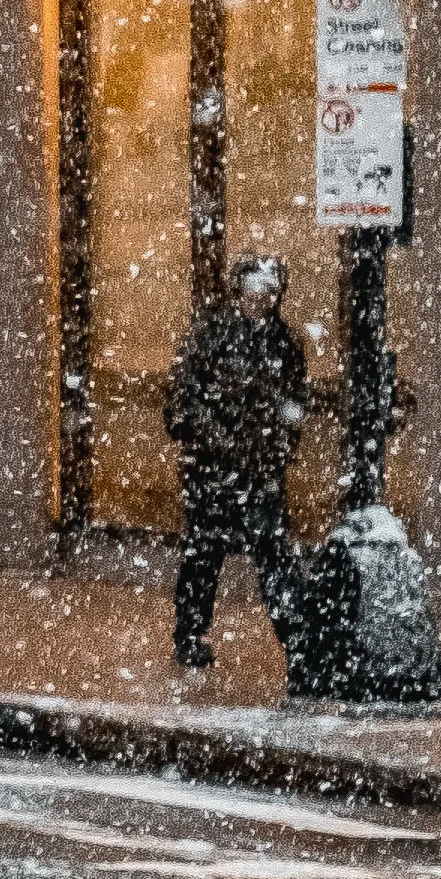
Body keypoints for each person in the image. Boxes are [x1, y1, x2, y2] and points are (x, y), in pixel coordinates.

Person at [163, 253, 313, 676]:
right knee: (203, 553)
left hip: (260, 472)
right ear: (239, 291)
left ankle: (296, 638)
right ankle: (190, 632)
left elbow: (294, 402)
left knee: (274, 554)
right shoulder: (210, 335)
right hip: (213, 470)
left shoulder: (284, 341)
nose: (260, 299)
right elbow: (181, 401)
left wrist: (279, 450)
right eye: (253, 290)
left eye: (269, 291)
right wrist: (219, 443)